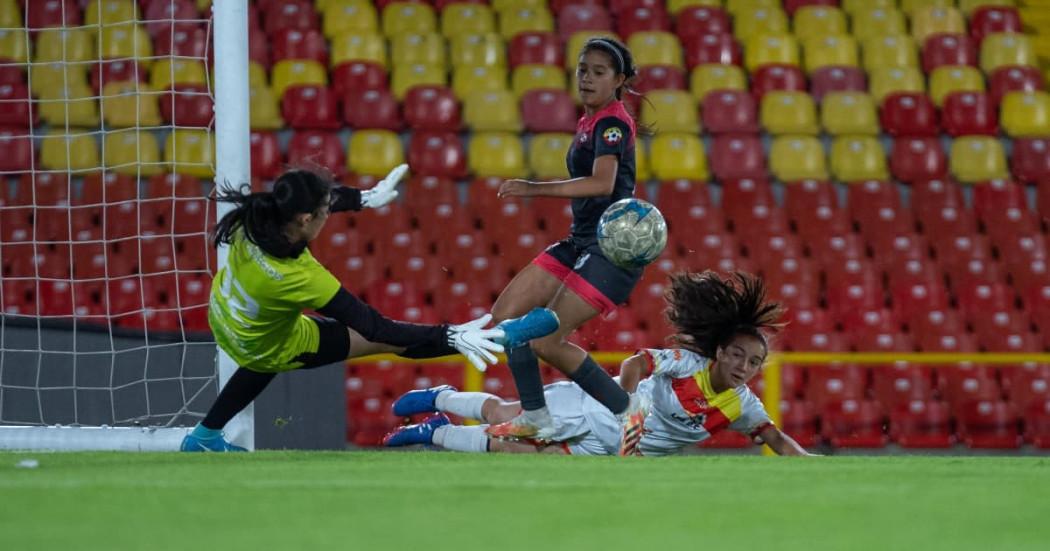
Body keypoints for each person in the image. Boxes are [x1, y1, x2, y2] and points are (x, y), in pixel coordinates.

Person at [181, 167, 558, 452]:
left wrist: (363, 198)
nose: (329, 214)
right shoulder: (300, 277)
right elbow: (375, 327)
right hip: (265, 343)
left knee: (264, 351)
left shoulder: (257, 219)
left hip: (225, 316)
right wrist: (451, 334)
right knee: (382, 341)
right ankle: (498, 335)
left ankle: (204, 436)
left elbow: (316, 200)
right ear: (305, 220)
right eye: (325, 212)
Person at [384, 271, 813, 457]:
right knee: (505, 414)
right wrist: (628, 408)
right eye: (737, 353)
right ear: (720, 351)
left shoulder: (743, 406)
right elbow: (636, 364)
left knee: (515, 450)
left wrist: (809, 463)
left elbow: (776, 439)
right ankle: (441, 396)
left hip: (607, 450)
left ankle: (435, 431)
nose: (743, 365)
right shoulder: (687, 364)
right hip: (592, 407)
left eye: (753, 361)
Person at [483, 37, 648, 451]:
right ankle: (537, 418)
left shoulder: (612, 123)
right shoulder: (589, 120)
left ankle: (626, 409)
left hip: (610, 250)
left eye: (598, 72)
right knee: (505, 317)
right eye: (582, 69)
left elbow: (601, 183)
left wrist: (531, 188)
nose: (587, 78)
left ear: (619, 80)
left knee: (543, 340)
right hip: (580, 241)